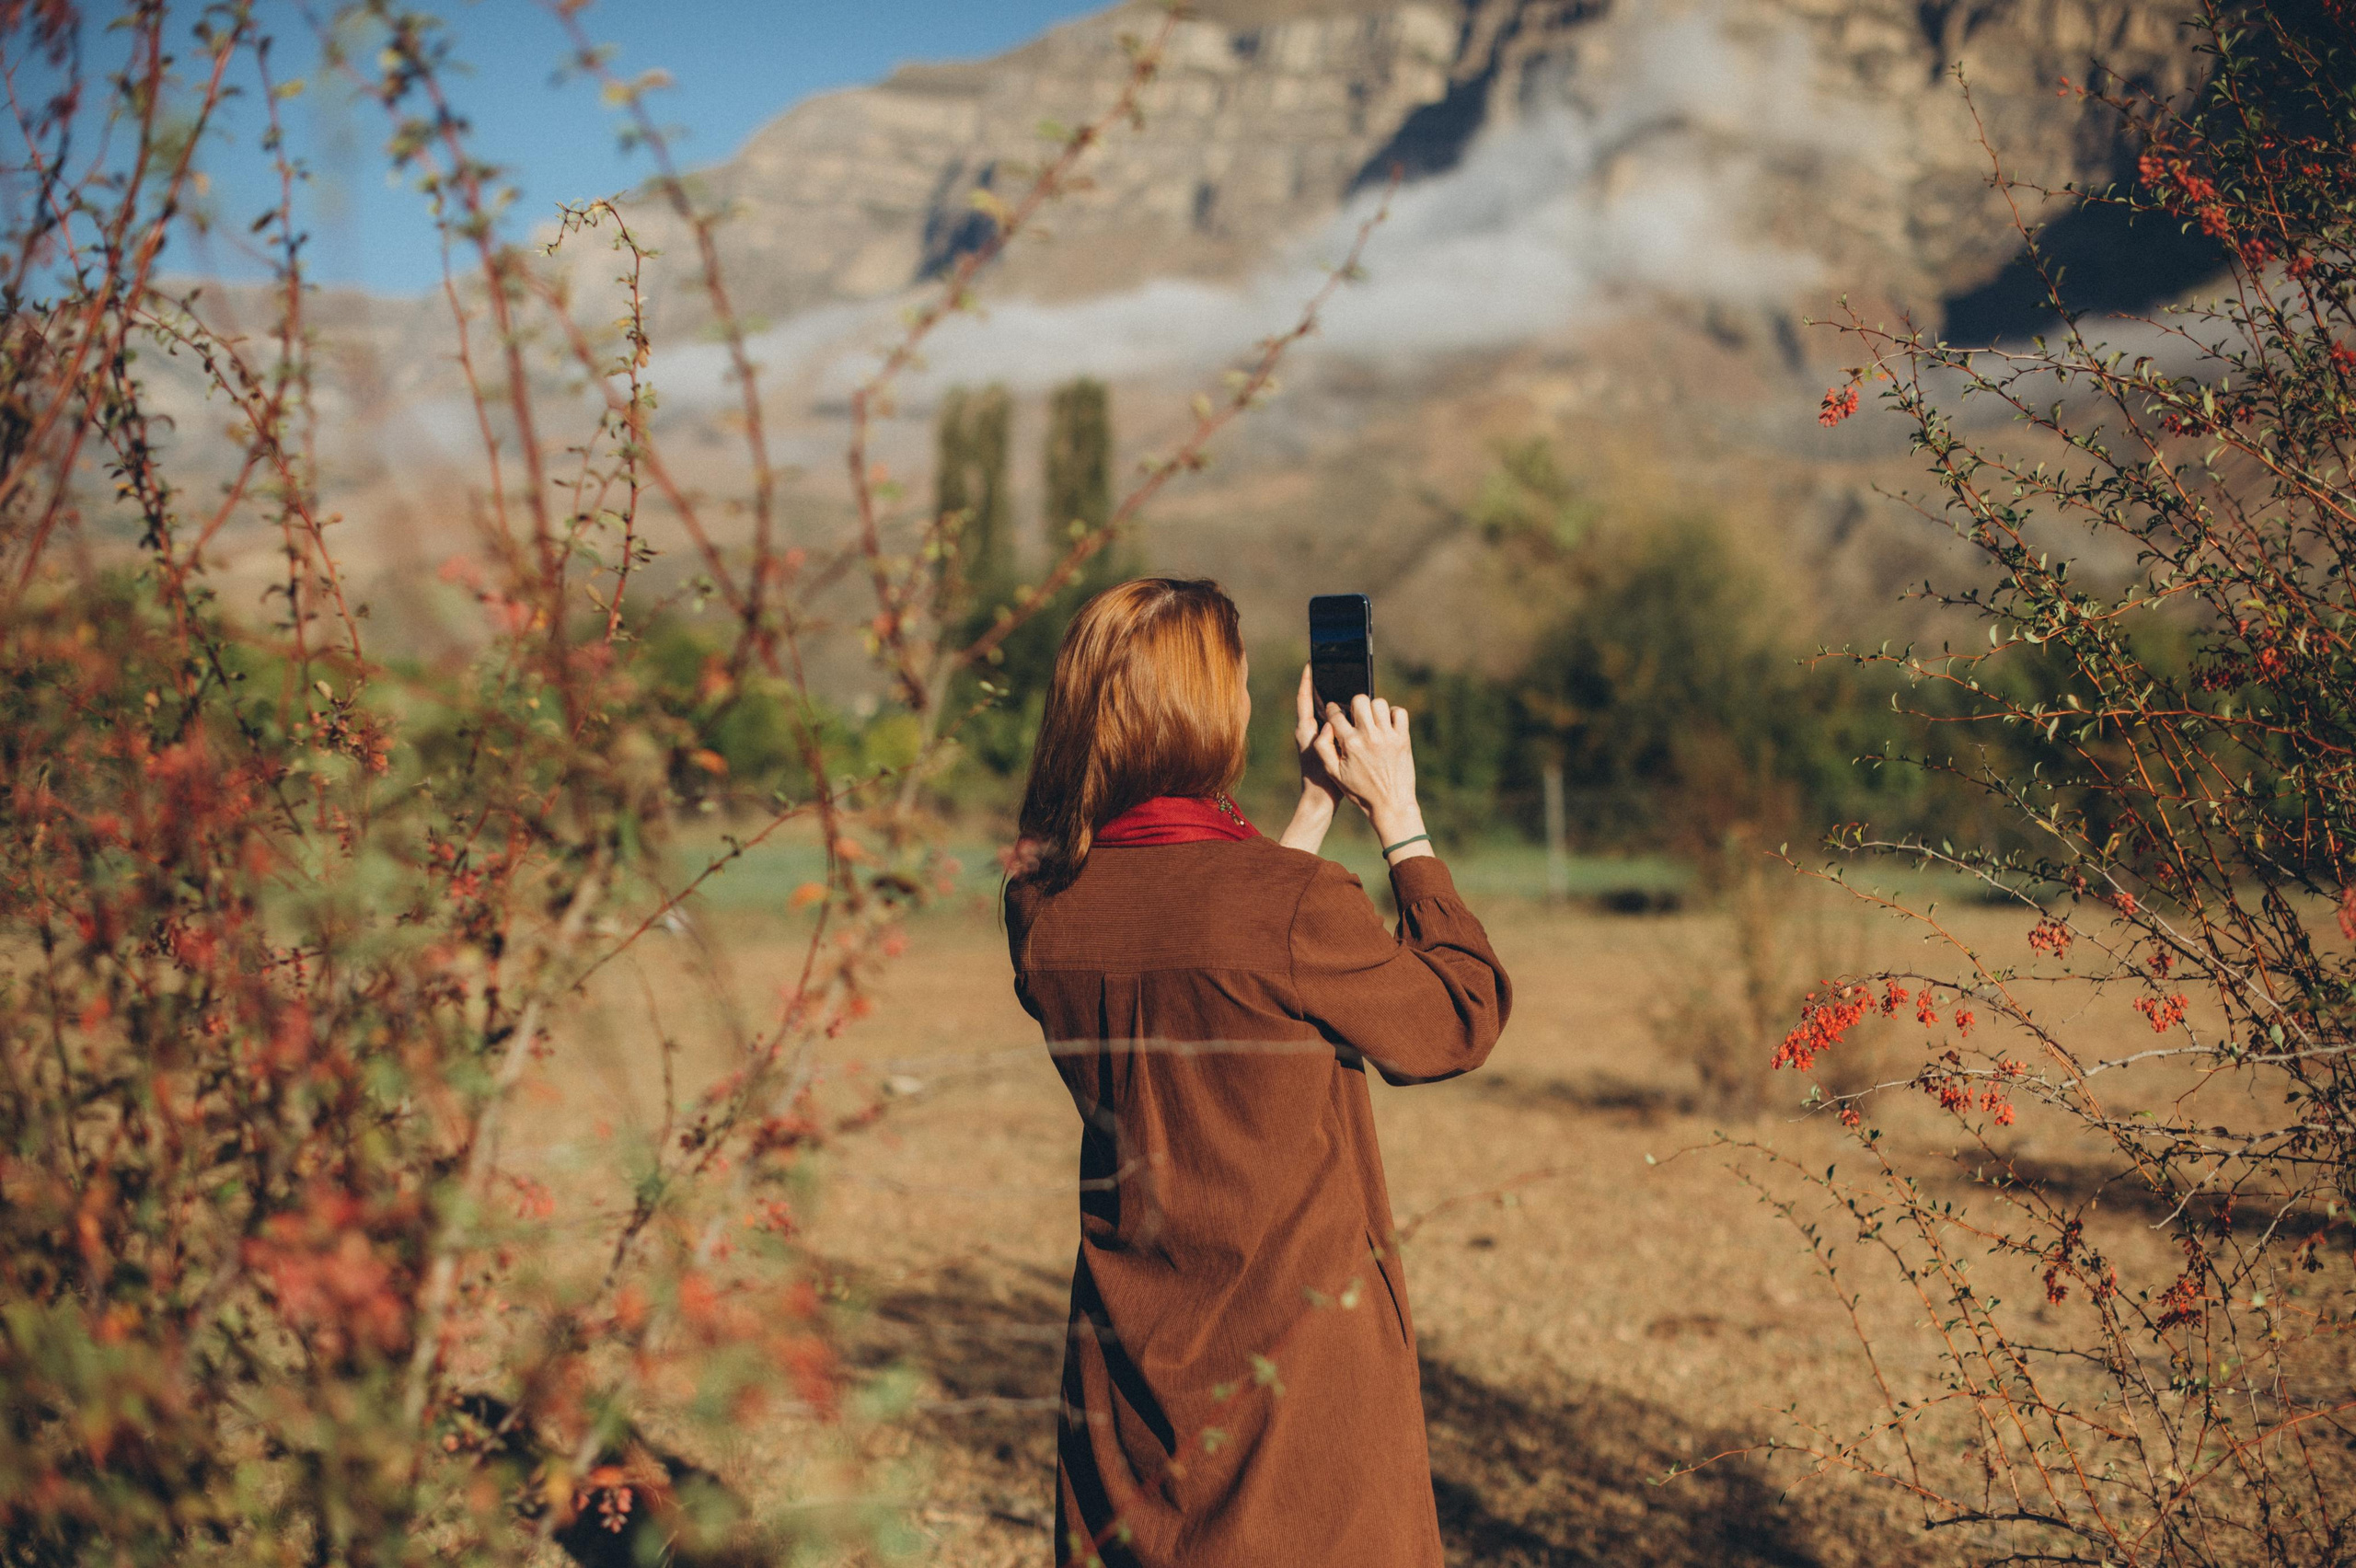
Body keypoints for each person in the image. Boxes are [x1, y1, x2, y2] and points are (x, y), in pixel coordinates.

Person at [1003, 576, 1512, 1567]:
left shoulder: (1041, 906)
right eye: (1234, 684)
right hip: (1297, 1370)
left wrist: (1311, 815)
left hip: (1127, 1362)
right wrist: (1399, 819)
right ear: (1203, 711)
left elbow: (1201, 940)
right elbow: (1457, 1018)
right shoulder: (1287, 908)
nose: (1242, 703)